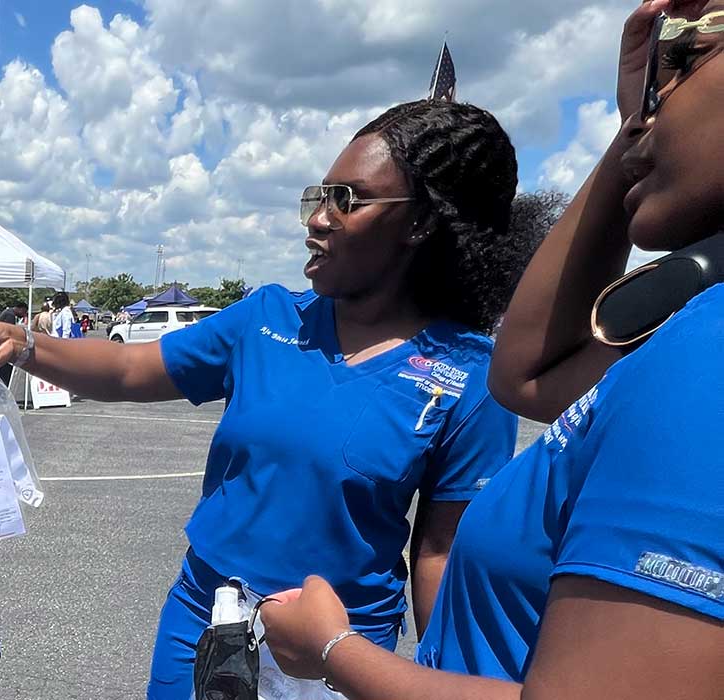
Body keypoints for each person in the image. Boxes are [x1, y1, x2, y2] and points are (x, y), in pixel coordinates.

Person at [0, 99, 537, 698]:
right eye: (318, 196)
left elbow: (441, 551)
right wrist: (21, 342)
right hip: (206, 619)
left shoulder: (471, 376)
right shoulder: (266, 319)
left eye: (347, 199)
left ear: (421, 223)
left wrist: (436, 683)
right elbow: (130, 367)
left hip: (337, 653)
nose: (318, 218)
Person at [258, 3, 724, 698]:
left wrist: (333, 649)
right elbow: (529, 372)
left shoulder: (710, 353)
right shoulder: (695, 320)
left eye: (688, 63)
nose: (652, 109)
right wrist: (633, 137)